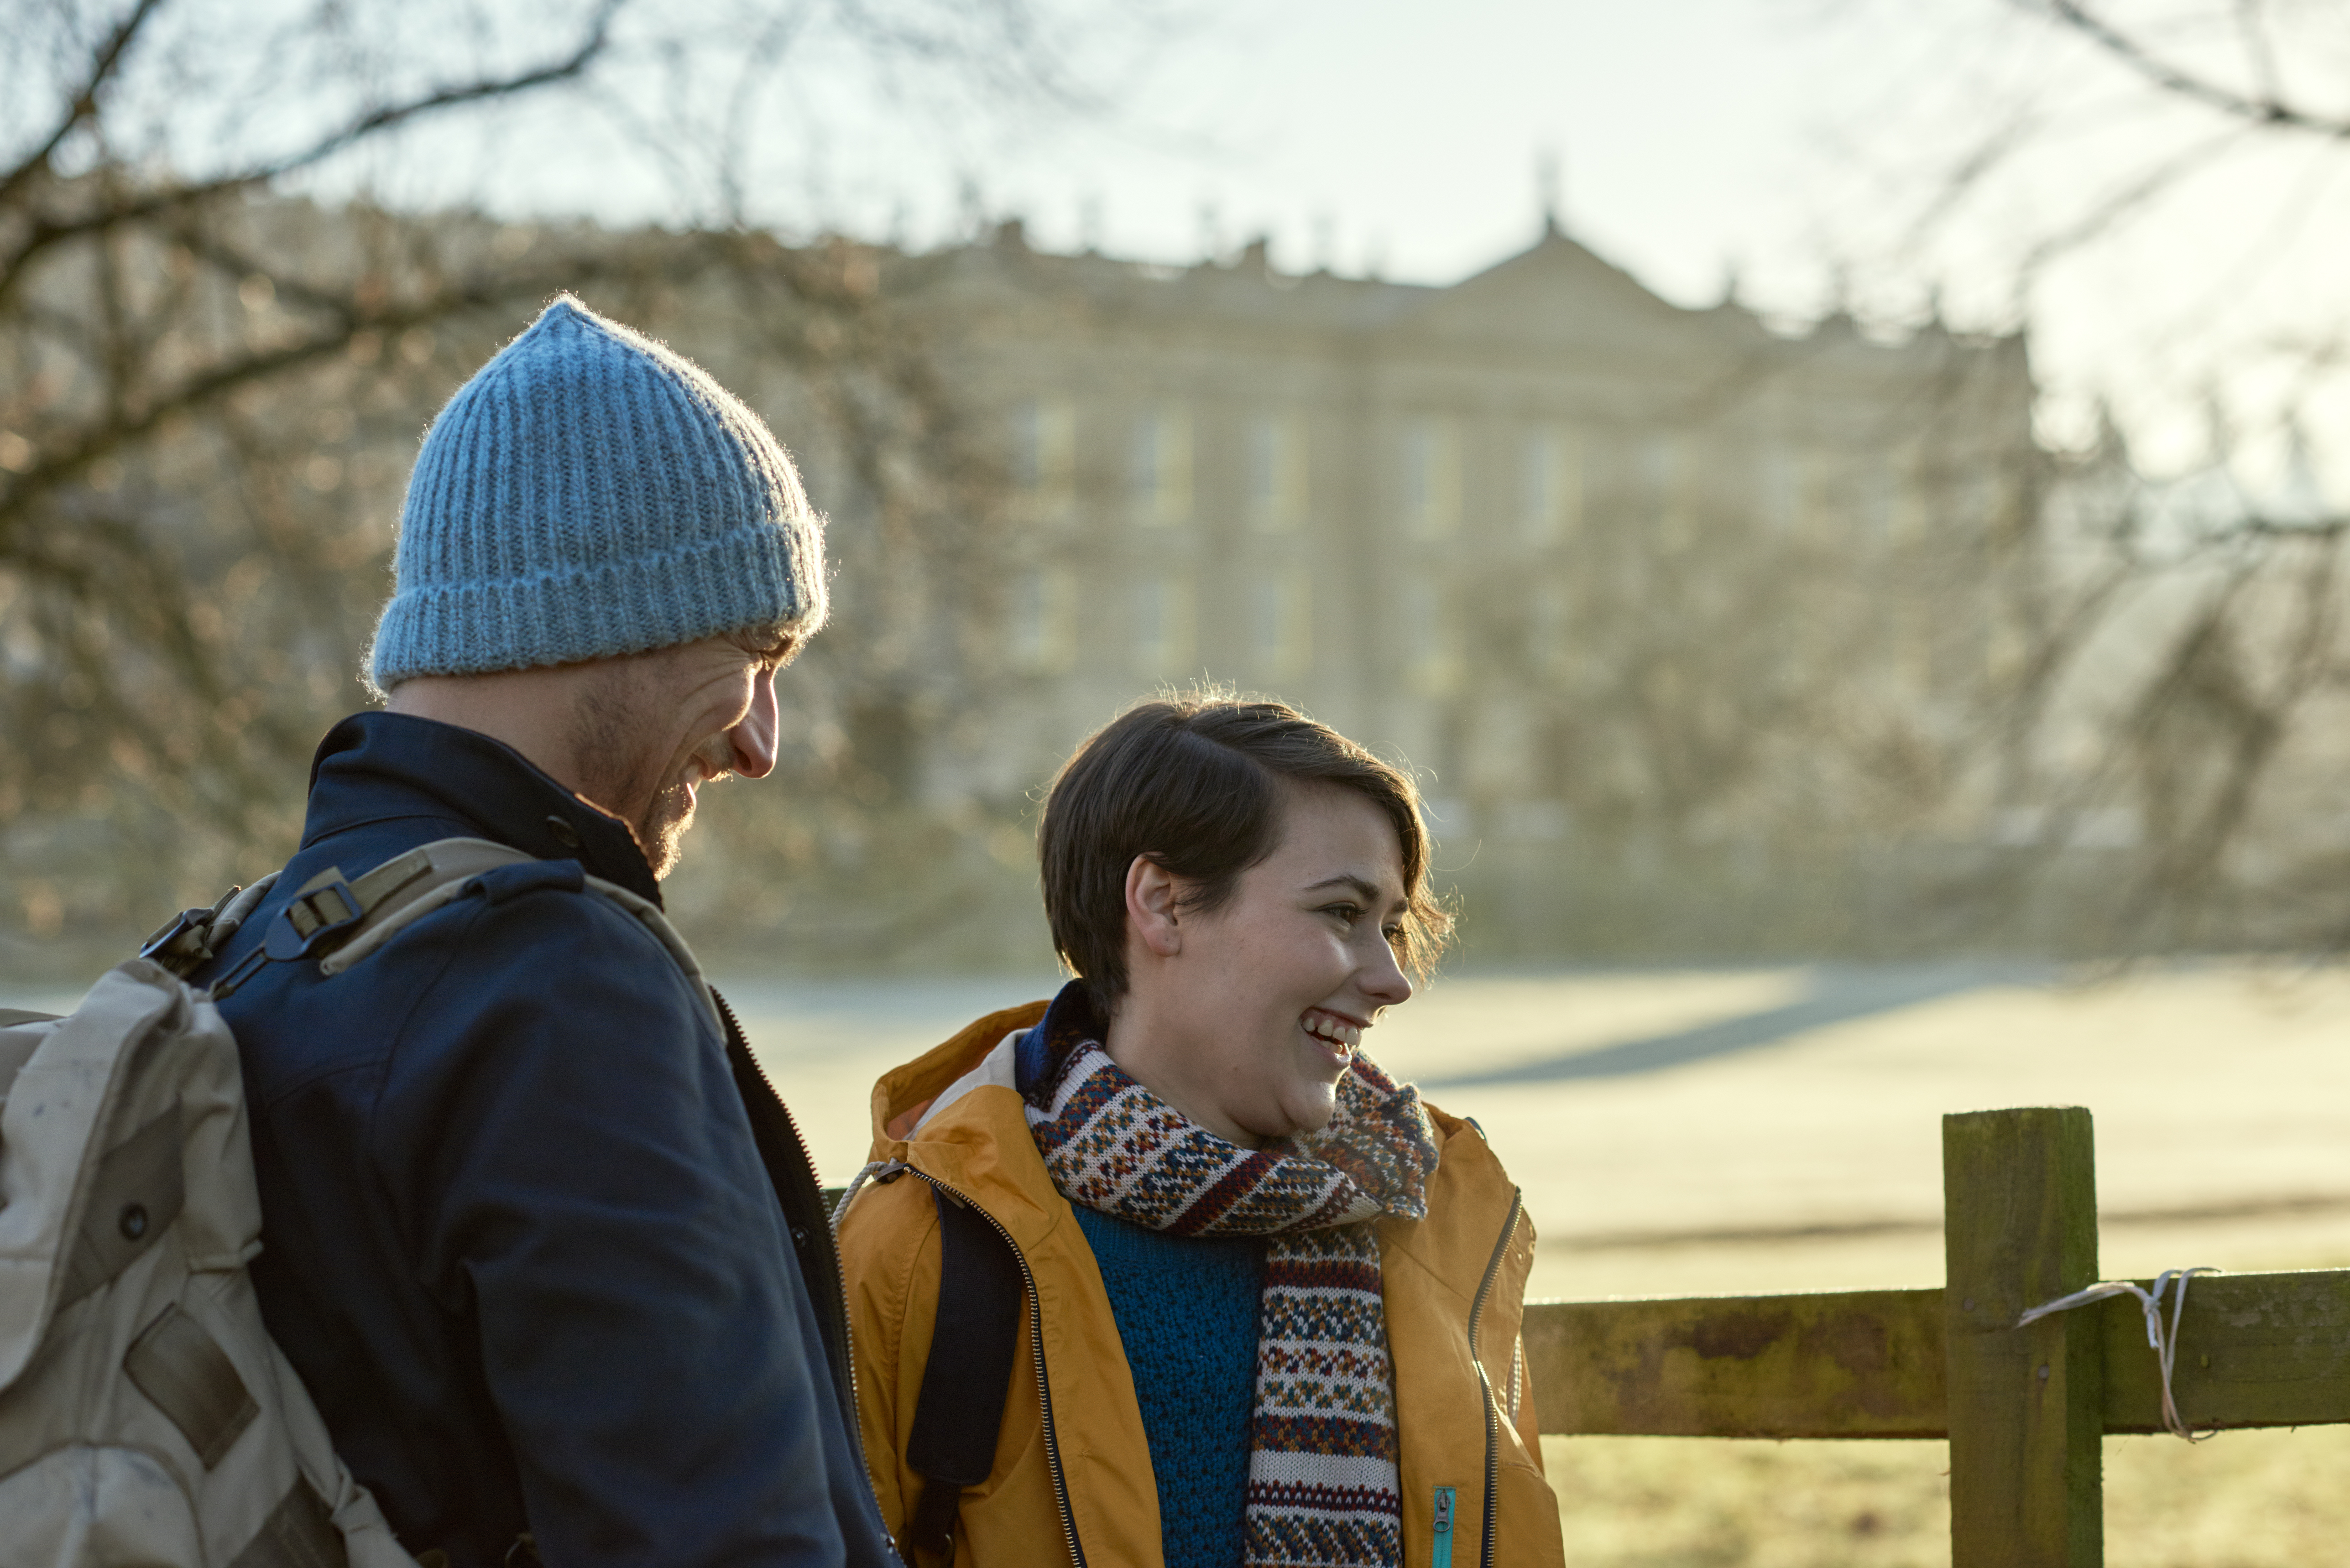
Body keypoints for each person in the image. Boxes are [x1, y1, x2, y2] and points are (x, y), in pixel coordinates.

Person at [194, 297, 897, 1567]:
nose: (762, 742)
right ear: (612, 617)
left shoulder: (258, 951)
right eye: (757, 652)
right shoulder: (555, 985)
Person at [835, 695, 1565, 1568]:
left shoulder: (1437, 1221)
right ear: (1162, 903)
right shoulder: (926, 1247)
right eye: (1341, 913)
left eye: (1393, 928)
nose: (1391, 979)